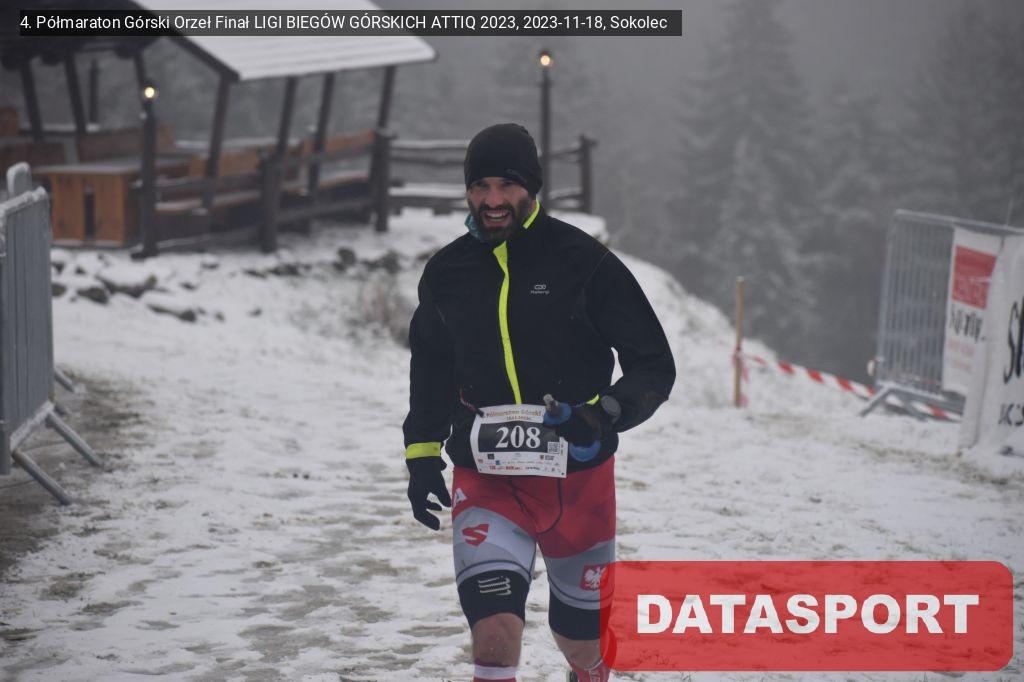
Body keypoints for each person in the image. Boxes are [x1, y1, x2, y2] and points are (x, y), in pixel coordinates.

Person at [403, 123, 675, 682]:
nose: (493, 199)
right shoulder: (447, 273)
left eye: (507, 185)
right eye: (480, 186)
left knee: (581, 642)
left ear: (532, 188)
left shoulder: (584, 262)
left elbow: (653, 364)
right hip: (487, 481)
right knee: (494, 636)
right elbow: (431, 364)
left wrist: (602, 414)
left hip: (579, 485)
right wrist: (422, 453)